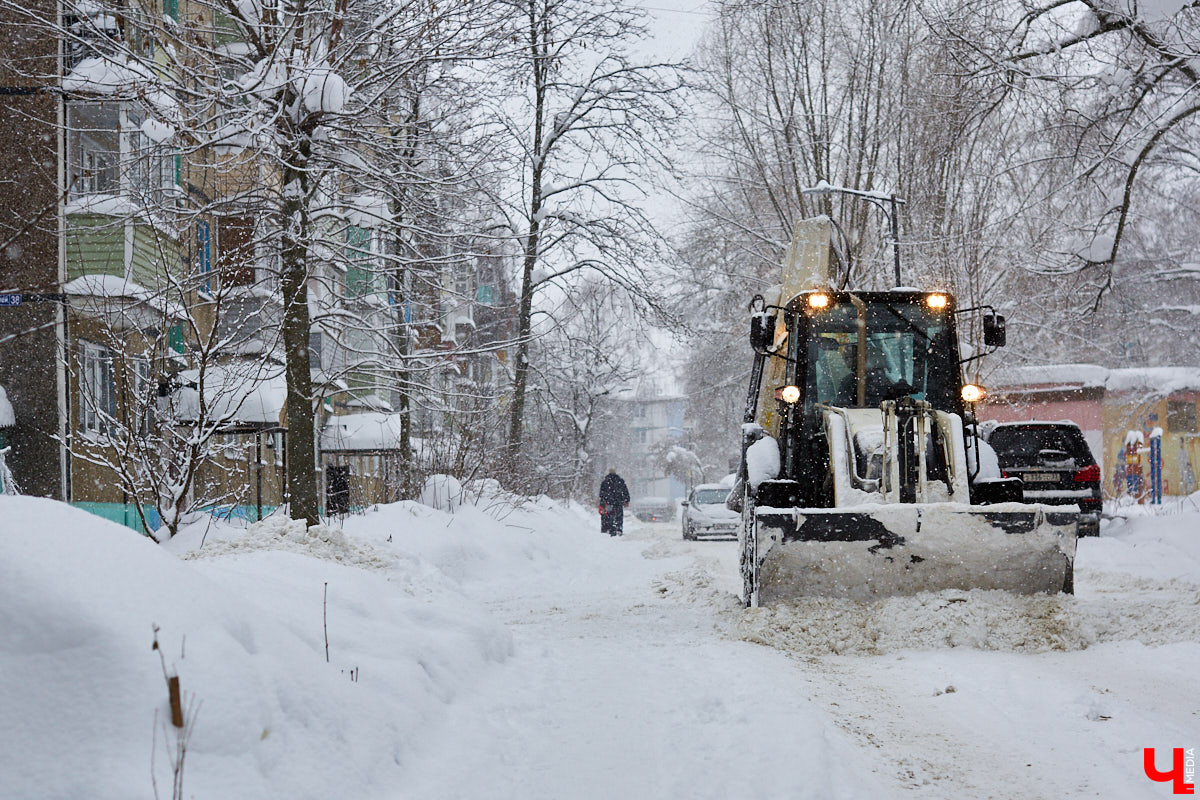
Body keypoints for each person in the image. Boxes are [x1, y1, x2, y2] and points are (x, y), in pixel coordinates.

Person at [598, 468, 630, 536]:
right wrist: (626, 500)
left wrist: (603, 502)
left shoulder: (605, 481)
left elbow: (602, 494)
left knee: (610, 515)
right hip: (619, 502)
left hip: (609, 503)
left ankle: (611, 529)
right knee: (619, 516)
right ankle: (619, 529)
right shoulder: (620, 481)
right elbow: (625, 491)